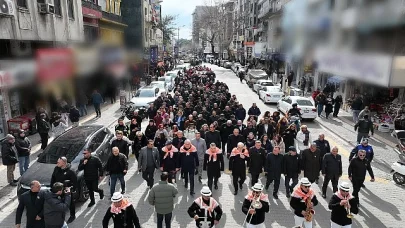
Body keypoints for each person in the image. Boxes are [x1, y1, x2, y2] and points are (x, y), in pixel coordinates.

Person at [50, 157, 78, 223]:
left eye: (58, 162)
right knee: (57, 203)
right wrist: (52, 187)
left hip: (66, 191)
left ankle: (72, 216)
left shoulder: (70, 171)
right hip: (57, 190)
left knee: (70, 203)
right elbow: (53, 178)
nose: (57, 163)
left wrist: (70, 189)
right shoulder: (56, 168)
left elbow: (75, 183)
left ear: (63, 163)